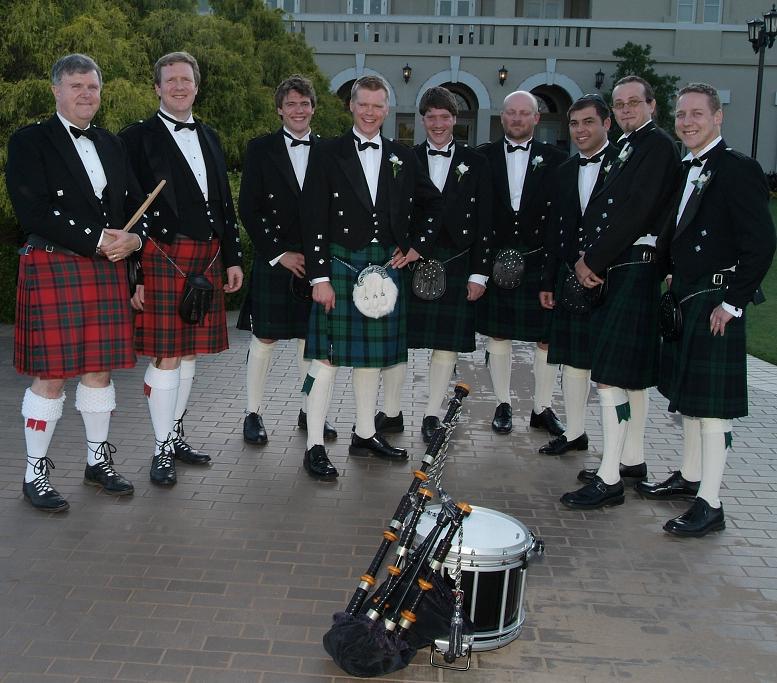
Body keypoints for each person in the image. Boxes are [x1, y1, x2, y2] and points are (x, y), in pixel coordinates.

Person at [6, 53, 147, 511]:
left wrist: (136, 239)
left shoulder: (111, 143)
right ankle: (35, 472)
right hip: (56, 263)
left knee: (99, 370)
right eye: (76, 86)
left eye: (93, 87)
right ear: (56, 90)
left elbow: (133, 204)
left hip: (103, 268)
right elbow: (33, 210)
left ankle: (96, 461)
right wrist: (96, 240)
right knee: (52, 375)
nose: (87, 95)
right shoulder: (30, 141)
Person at [642, 83, 775, 536]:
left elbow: (761, 244)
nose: (687, 122)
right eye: (681, 115)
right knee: (691, 401)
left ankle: (711, 503)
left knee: (713, 410)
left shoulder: (737, 169)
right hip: (690, 296)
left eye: (697, 114)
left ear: (718, 117)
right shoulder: (685, 169)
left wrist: (733, 303)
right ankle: (691, 475)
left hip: (717, 301)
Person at [299, 75, 443, 480]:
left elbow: (433, 205)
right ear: (351, 105)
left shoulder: (403, 155)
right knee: (324, 360)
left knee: (372, 361)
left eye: (378, 106)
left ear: (387, 110)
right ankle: (313, 444)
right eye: (364, 104)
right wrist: (319, 278)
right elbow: (312, 217)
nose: (370, 112)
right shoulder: (327, 152)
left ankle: (365, 433)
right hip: (341, 267)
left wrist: (416, 245)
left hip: (384, 270)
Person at [120, 51, 243, 487]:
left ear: (196, 85)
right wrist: (134, 275)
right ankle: (159, 449)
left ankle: (174, 435)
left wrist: (233, 256)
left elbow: (224, 203)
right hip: (162, 255)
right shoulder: (136, 138)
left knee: (189, 353)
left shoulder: (209, 135)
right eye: (170, 80)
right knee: (167, 354)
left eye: (185, 80)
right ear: (157, 87)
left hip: (207, 256)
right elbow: (126, 209)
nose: (178, 86)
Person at [560, 75, 681, 510]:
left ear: (652, 105)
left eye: (635, 103)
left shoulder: (657, 146)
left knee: (610, 377)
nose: (628, 109)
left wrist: (592, 260)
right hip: (620, 266)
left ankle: (609, 479)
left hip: (632, 266)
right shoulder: (631, 146)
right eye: (621, 104)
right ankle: (629, 461)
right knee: (624, 377)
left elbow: (636, 212)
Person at [382, 86, 492, 442]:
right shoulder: (406, 158)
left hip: (458, 261)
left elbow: (485, 224)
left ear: (455, 120)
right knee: (398, 340)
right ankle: (392, 411)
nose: (438, 124)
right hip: (413, 259)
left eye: (445, 117)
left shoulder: (476, 162)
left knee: (446, 345)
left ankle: (432, 413)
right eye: (431, 117)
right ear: (423, 119)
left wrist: (479, 274)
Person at [237, 75, 337, 446]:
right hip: (275, 258)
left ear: (313, 108)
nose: (299, 110)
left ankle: (310, 410)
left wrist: (318, 258)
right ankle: (253, 412)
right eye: (291, 104)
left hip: (316, 262)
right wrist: (279, 253)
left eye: (305, 103)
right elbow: (249, 206)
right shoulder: (260, 149)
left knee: (308, 343)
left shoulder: (329, 151)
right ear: (280, 108)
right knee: (264, 338)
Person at [477, 91, 566, 437]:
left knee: (545, 337)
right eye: (510, 113)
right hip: (497, 260)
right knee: (499, 333)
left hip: (539, 260)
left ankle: (542, 409)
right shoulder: (482, 158)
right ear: (502, 118)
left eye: (523, 113)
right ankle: (503, 403)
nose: (516, 119)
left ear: (536, 118)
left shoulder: (558, 160)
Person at [539, 94, 620, 455]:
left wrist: (600, 261)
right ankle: (574, 434)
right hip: (570, 275)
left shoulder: (625, 165)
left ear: (607, 123)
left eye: (588, 122)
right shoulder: (564, 171)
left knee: (610, 369)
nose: (580, 130)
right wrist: (549, 280)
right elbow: (557, 231)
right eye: (574, 123)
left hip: (613, 277)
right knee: (571, 361)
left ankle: (622, 453)